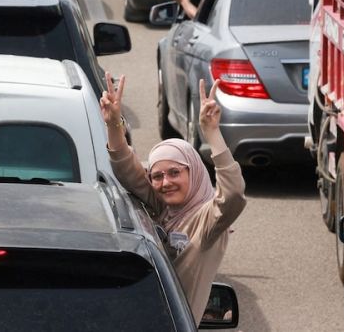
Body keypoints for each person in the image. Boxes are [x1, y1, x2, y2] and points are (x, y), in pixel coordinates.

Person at [100, 74, 246, 324]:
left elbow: (232, 194)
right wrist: (114, 124)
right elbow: (126, 169)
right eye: (157, 176)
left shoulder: (209, 222)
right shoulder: (161, 205)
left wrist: (212, 134)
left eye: (175, 172)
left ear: (194, 171)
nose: (165, 183)